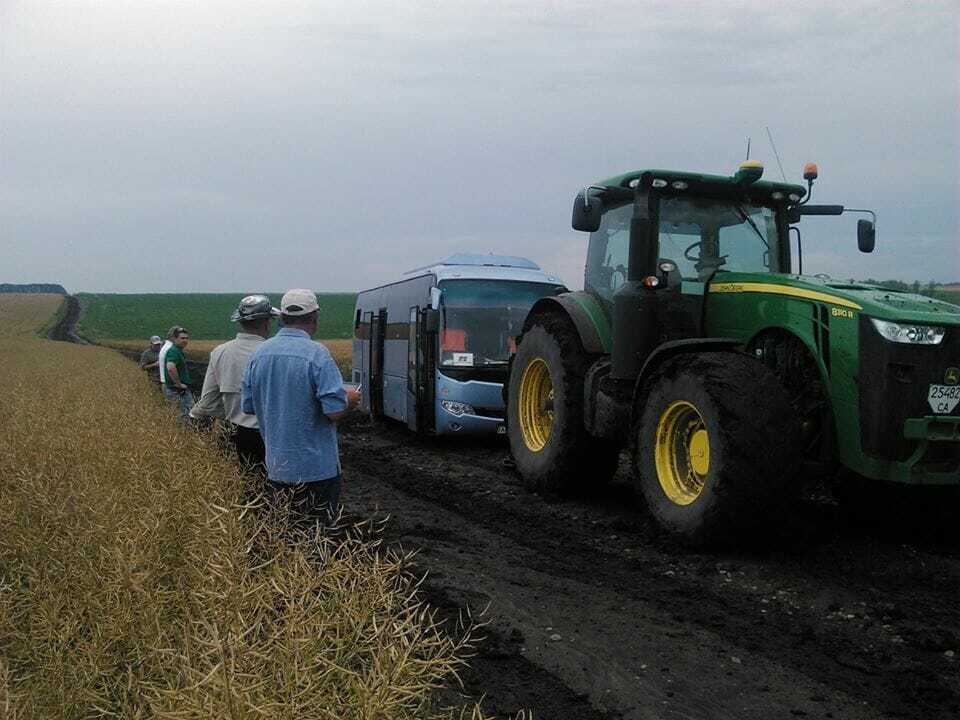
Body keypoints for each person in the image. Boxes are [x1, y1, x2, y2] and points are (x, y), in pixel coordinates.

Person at [241, 289, 360, 522]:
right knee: (317, 535)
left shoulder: (258, 354)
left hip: (277, 466)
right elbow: (334, 411)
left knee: (286, 531)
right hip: (316, 470)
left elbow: (248, 407)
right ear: (315, 317)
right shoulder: (317, 354)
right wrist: (351, 400)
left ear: (282, 317)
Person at [190, 295, 278, 473]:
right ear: (267, 322)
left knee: (246, 488)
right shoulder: (275, 352)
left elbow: (208, 401)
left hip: (236, 434)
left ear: (240, 322)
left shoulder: (220, 352)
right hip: (273, 436)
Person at [162, 326, 194, 421]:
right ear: (174, 339)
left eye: (187, 338)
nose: (185, 340)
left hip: (177, 389)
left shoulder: (177, 350)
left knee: (183, 413)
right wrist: (178, 384)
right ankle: (184, 433)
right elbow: (170, 367)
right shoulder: (174, 351)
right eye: (182, 338)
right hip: (177, 390)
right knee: (184, 414)